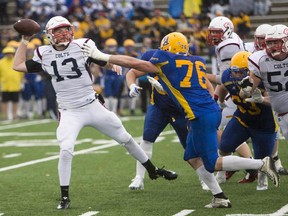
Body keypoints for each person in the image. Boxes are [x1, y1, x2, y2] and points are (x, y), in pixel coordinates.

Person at [83, 31, 280, 208]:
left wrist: (103, 56)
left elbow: (137, 64)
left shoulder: (165, 59)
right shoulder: (196, 60)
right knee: (192, 157)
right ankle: (219, 196)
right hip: (204, 111)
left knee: (212, 163)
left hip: (201, 115)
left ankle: (261, 164)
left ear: (167, 48)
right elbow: (198, 85)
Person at [12, 15, 177, 210]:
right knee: (66, 149)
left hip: (92, 105)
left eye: (66, 28)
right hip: (69, 111)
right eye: (58, 30)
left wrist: (110, 64)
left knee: (125, 137)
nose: (64, 33)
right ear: (49, 35)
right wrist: (24, 40)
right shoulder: (44, 53)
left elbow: (99, 58)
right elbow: (18, 65)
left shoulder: (82, 45)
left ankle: (152, 170)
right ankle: (64, 196)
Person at [126, 49, 189, 190]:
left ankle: (205, 177)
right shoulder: (153, 57)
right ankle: (139, 177)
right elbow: (133, 72)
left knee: (190, 147)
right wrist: (132, 85)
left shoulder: (187, 63)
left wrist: (167, 88)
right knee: (147, 139)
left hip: (180, 110)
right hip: (158, 107)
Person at [218, 51, 278, 190]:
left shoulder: (263, 79)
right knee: (224, 147)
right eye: (235, 72)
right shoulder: (228, 76)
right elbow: (223, 86)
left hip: (264, 124)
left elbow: (276, 101)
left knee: (263, 159)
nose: (237, 75)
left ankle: (262, 181)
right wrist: (221, 101)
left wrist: (262, 99)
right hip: (242, 119)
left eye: (242, 72)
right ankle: (220, 175)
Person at [206, 15, 254, 184]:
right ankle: (246, 165)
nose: (213, 36)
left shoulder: (227, 46)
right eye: (212, 32)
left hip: (238, 91)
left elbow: (225, 79)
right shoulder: (227, 42)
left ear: (227, 30)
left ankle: (249, 166)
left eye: (217, 32)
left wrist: (216, 97)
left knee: (219, 128)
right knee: (227, 130)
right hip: (236, 88)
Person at [239, 24, 288, 167]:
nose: (272, 46)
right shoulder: (259, 59)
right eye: (269, 42)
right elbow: (244, 92)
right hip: (281, 114)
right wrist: (245, 87)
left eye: (276, 42)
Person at [0, 46, 23, 120]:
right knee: (4, 101)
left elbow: (21, 73)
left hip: (15, 85)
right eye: (7, 53)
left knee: (15, 101)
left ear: (13, 54)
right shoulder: (1, 62)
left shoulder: (16, 61)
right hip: (5, 85)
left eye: (10, 53)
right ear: (5, 54)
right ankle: (5, 116)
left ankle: (14, 115)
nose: (9, 54)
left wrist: (21, 82)